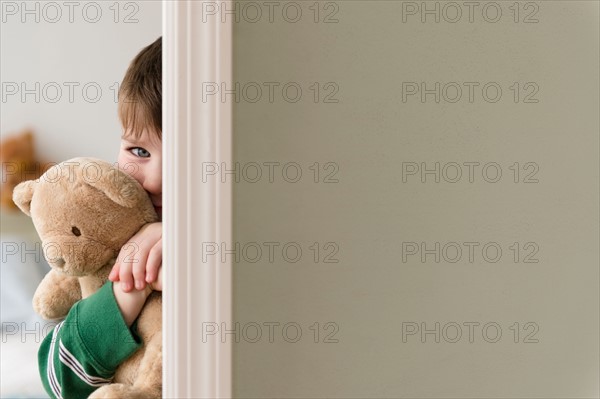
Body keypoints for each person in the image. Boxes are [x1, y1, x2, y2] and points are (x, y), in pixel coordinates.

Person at [37, 36, 163, 399]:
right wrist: (126, 291)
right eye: (138, 150)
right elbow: (58, 382)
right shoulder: (100, 240)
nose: (153, 180)